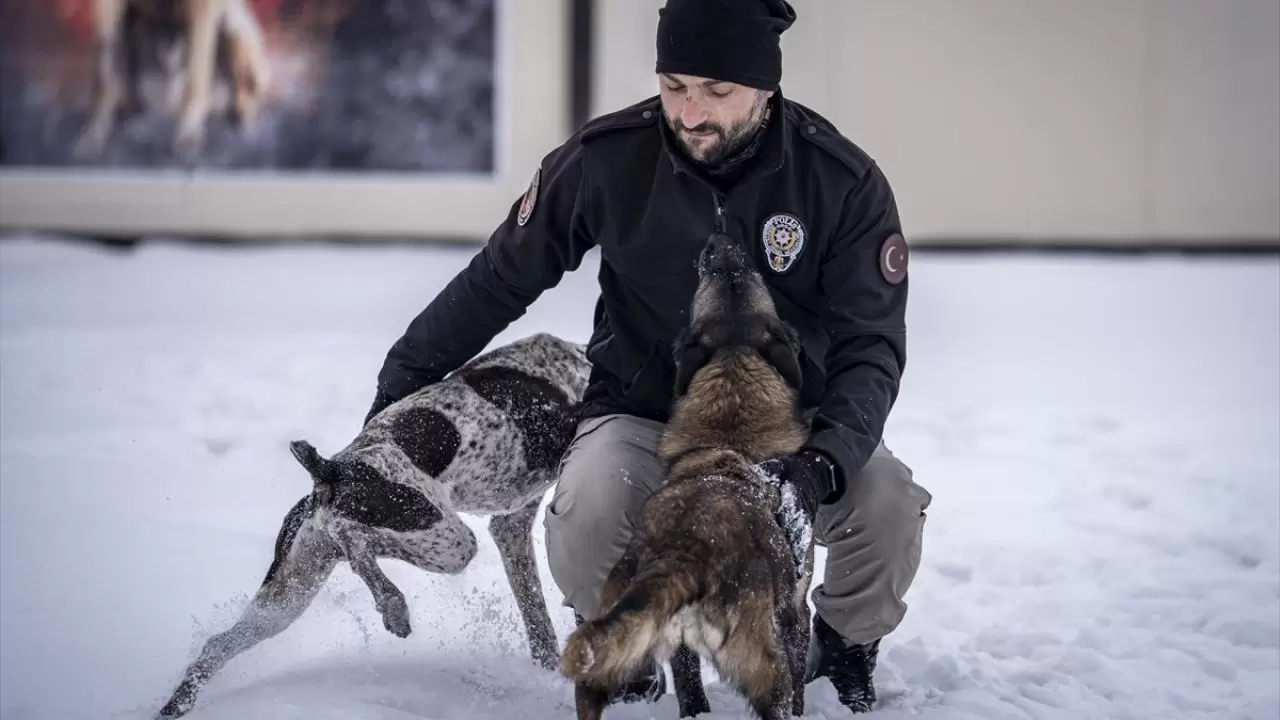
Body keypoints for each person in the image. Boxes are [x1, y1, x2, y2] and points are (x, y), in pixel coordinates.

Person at [364, 0, 932, 713]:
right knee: (587, 512)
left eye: (717, 92)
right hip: (646, 407)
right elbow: (499, 278)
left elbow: (871, 347)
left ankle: (844, 648)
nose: (690, 112)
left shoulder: (839, 182)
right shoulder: (609, 158)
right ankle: (626, 651)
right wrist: (400, 386)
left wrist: (823, 462)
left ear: (764, 88)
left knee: (886, 506)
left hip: (793, 421)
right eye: (674, 85)